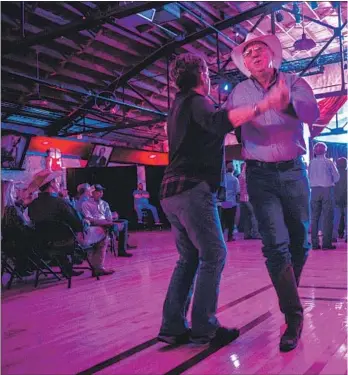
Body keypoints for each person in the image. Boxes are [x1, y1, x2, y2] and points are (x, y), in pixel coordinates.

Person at [157, 52, 284, 347]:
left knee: (188, 258)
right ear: (202, 74)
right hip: (191, 189)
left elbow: (212, 122)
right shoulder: (197, 101)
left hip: (170, 191)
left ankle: (173, 326)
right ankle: (206, 327)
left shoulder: (177, 106)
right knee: (214, 254)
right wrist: (262, 105)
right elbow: (218, 122)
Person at [226, 33, 320, 351]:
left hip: (294, 171)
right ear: (245, 62)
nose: (253, 53)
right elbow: (235, 118)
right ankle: (293, 317)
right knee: (275, 246)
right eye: (248, 51)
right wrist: (265, 105)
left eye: (259, 48)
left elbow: (312, 115)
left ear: (271, 55)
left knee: (302, 242)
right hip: (260, 176)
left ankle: (288, 292)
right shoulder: (240, 90)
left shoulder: (294, 81)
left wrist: (288, 103)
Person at [27, 170, 85, 277]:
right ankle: (98, 268)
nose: (57, 183)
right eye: (56, 181)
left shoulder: (33, 204)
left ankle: (67, 268)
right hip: (64, 241)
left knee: (57, 233)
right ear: (52, 184)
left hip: (43, 241)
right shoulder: (60, 202)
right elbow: (76, 222)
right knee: (101, 234)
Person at [81, 184, 133, 258]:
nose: (101, 193)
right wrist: (104, 221)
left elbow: (109, 217)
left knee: (124, 222)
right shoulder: (86, 204)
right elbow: (89, 218)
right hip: (96, 223)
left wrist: (112, 217)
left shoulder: (104, 203)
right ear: (92, 193)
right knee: (114, 225)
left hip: (106, 222)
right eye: (99, 191)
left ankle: (122, 249)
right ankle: (112, 235)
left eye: (101, 191)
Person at [308, 143, 340, 249]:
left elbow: (308, 177)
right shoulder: (329, 162)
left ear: (314, 151)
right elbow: (337, 177)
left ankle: (315, 244)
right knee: (327, 217)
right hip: (327, 189)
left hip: (314, 191)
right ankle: (326, 244)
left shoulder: (311, 162)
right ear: (325, 151)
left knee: (314, 218)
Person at [238, 162, 261, 240]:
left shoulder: (240, 176)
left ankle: (246, 234)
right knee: (254, 215)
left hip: (242, 198)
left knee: (246, 217)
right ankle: (256, 233)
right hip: (249, 198)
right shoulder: (249, 176)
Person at [220, 162, 240, 242]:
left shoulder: (223, 178)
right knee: (231, 220)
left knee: (223, 220)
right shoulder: (235, 179)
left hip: (224, 201)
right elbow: (237, 191)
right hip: (232, 202)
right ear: (233, 169)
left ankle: (220, 237)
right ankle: (230, 237)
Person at [333, 157, 347, 242]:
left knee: (336, 218)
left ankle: (334, 236)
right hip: (346, 198)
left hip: (336, 198)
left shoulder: (334, 174)